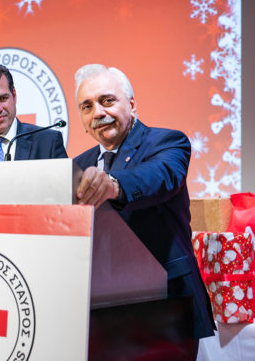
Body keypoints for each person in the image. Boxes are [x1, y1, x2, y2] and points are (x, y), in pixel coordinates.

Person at [72, 64, 215, 346]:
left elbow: (159, 177)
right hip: (103, 307)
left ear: (132, 105)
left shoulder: (168, 142)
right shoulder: (79, 165)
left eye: (107, 100)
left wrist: (113, 184)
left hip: (166, 302)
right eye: (87, 106)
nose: (98, 113)